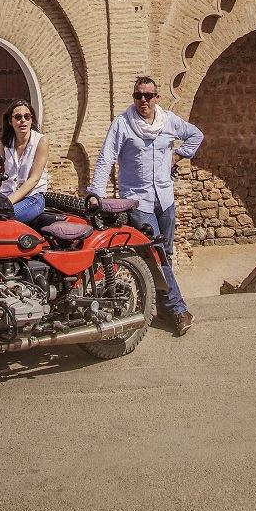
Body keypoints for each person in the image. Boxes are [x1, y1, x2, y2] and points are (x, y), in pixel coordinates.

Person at [88, 77, 203, 336]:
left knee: (166, 254)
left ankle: (161, 308)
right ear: (134, 97)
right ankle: (178, 310)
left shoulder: (168, 121)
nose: (143, 100)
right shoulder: (122, 123)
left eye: (148, 96)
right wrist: (96, 193)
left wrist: (177, 155)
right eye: (138, 95)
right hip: (138, 201)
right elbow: (106, 158)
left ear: (156, 98)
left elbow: (196, 135)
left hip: (165, 198)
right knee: (156, 254)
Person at [0, 99, 49, 223]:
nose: (23, 120)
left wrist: (6, 203)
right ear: (10, 121)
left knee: (2, 219)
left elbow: (34, 179)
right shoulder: (5, 143)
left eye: (27, 116)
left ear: (31, 120)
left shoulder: (41, 141)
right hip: (6, 195)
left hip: (32, 198)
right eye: (18, 117)